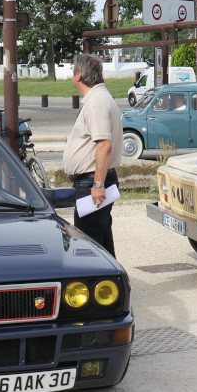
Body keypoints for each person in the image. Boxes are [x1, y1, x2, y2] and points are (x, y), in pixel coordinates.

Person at [64, 53, 123, 256]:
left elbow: (104, 145)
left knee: (87, 246)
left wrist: (97, 185)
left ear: (78, 75)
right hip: (94, 180)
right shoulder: (99, 97)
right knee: (101, 242)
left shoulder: (96, 102)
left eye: (73, 71)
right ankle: (115, 284)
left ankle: (93, 286)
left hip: (93, 181)